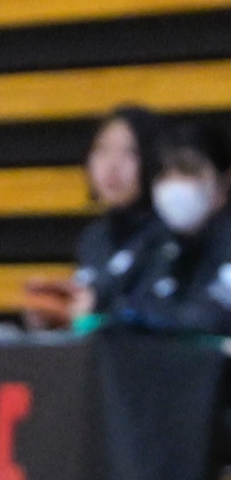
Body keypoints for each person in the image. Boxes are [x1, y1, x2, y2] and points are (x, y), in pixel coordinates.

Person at [23, 105, 157, 328]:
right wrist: (58, 310)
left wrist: (95, 309)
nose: (113, 165)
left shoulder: (165, 237)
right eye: (103, 150)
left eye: (130, 152)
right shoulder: (94, 237)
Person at [101, 122, 231, 335]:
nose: (174, 183)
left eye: (188, 170)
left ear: (224, 178)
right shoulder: (153, 242)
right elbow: (113, 299)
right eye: (164, 173)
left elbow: (209, 317)